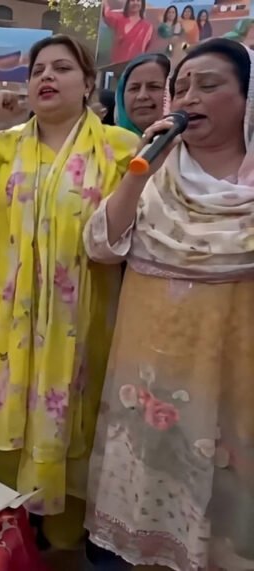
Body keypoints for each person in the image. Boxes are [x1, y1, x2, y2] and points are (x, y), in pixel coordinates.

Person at [0, 35, 139, 549]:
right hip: (4, 315)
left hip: (78, 318)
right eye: (37, 70)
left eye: (62, 68)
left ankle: (65, 544)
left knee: (71, 415)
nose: (47, 77)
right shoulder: (2, 146)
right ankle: (3, 540)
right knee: (2, 411)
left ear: (89, 83)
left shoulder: (119, 148)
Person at [84, 38, 254, 571]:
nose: (189, 97)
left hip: (235, 374)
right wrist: (141, 173)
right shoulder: (153, 168)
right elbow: (99, 245)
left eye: (209, 85)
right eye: (181, 87)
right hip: (151, 373)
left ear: (247, 98)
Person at [114, 53, 170, 135]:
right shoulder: (102, 144)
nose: (142, 96)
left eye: (154, 87)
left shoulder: (191, 145)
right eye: (134, 88)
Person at [102, 0, 154, 64]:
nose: (135, 3)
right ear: (127, 3)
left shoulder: (147, 26)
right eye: (132, 0)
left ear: (142, 4)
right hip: (116, 65)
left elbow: (148, 49)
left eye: (138, 0)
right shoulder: (118, 19)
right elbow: (106, 12)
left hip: (134, 67)